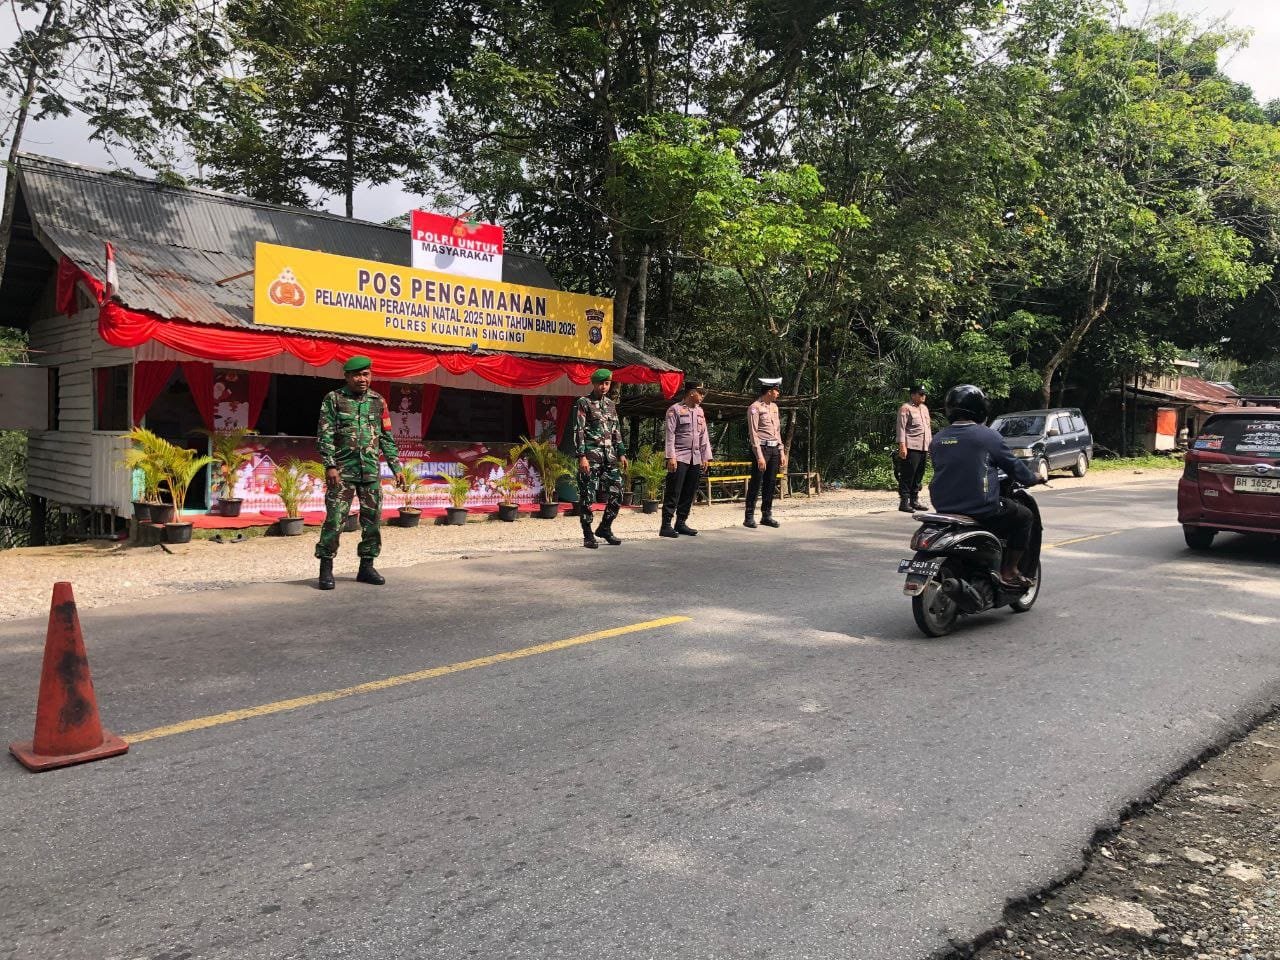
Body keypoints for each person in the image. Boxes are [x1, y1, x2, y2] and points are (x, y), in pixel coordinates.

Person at [928, 384, 1039, 589]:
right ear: (980, 409)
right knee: (1025, 516)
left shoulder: (938, 439)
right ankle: (1009, 570)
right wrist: (1034, 477)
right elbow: (1015, 467)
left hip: (944, 507)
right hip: (981, 508)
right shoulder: (988, 436)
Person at [315, 356, 406, 590]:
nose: (362, 379)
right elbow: (325, 434)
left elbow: (386, 437)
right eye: (357, 375)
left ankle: (367, 567)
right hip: (342, 472)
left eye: (366, 374)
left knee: (372, 521)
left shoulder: (378, 401)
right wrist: (330, 465)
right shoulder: (334, 399)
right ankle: (326, 568)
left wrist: (396, 467)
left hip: (370, 473)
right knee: (335, 521)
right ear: (347, 377)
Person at [573, 368, 628, 548]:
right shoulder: (584, 402)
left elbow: (616, 430)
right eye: (600, 383)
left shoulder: (611, 404)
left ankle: (605, 527)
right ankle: (588, 534)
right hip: (591, 456)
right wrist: (581, 456)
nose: (603, 387)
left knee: (618, 491)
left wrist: (621, 452)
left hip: (609, 457)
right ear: (594, 383)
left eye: (607, 383)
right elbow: (579, 431)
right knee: (587, 495)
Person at [660, 380, 713, 538]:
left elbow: (704, 436)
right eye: (700, 393)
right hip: (679, 456)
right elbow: (670, 435)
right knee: (674, 491)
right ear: (691, 393)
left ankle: (681, 522)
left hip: (695, 458)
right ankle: (666, 525)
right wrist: (671, 457)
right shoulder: (674, 410)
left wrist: (706, 457)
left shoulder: (700, 411)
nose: (702, 396)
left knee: (690, 491)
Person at [744, 377, 786, 528]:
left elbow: (777, 431)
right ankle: (749, 516)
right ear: (769, 391)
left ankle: (766, 515)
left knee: (770, 483)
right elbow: (753, 433)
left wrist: (781, 451)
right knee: (756, 482)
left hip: (774, 448)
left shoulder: (774, 407)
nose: (778, 393)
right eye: (776, 390)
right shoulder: (755, 408)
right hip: (761, 448)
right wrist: (759, 456)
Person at [895, 385, 933, 512]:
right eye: (920, 394)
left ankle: (914, 500)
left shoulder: (924, 409)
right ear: (912, 395)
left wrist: (930, 445)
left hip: (923, 447)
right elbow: (901, 428)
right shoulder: (905, 408)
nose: (923, 396)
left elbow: (928, 428)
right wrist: (902, 446)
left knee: (918, 475)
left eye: (924, 394)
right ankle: (904, 502)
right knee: (908, 475)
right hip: (911, 447)